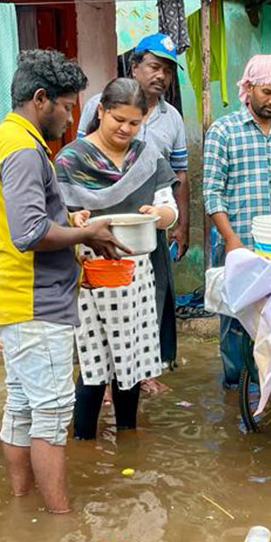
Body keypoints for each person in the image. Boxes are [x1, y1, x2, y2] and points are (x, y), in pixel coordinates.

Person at [0, 49, 123, 514]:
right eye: (66, 105)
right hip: (32, 302)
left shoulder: (6, 139)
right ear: (41, 99)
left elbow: (27, 219)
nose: (71, 116)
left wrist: (68, 218)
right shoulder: (22, 150)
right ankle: (60, 521)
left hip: (15, 299)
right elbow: (30, 233)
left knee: (22, 407)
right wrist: (86, 232)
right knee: (53, 413)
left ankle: (23, 509)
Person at [56, 79, 177, 439]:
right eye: (118, 119)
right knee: (93, 365)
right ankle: (84, 441)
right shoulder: (71, 159)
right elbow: (57, 217)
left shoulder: (148, 156)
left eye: (134, 122)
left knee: (133, 362)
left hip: (137, 274)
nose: (125, 129)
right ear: (101, 112)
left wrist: (158, 213)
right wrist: (75, 220)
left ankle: (127, 438)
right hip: (92, 272)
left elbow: (170, 211)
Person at [80, 34, 186, 389]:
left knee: (149, 297)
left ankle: (143, 372)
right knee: (100, 304)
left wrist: (177, 222)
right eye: (155, 66)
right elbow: (83, 155)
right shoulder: (100, 102)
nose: (162, 76)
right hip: (102, 226)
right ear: (135, 65)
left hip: (148, 223)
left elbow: (178, 174)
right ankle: (102, 380)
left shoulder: (172, 119)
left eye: (168, 70)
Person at [202, 54, 271, 387]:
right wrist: (229, 239)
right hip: (236, 239)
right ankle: (234, 382)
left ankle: (263, 378)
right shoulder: (223, 130)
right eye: (266, 93)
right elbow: (212, 193)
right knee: (234, 315)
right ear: (249, 87)